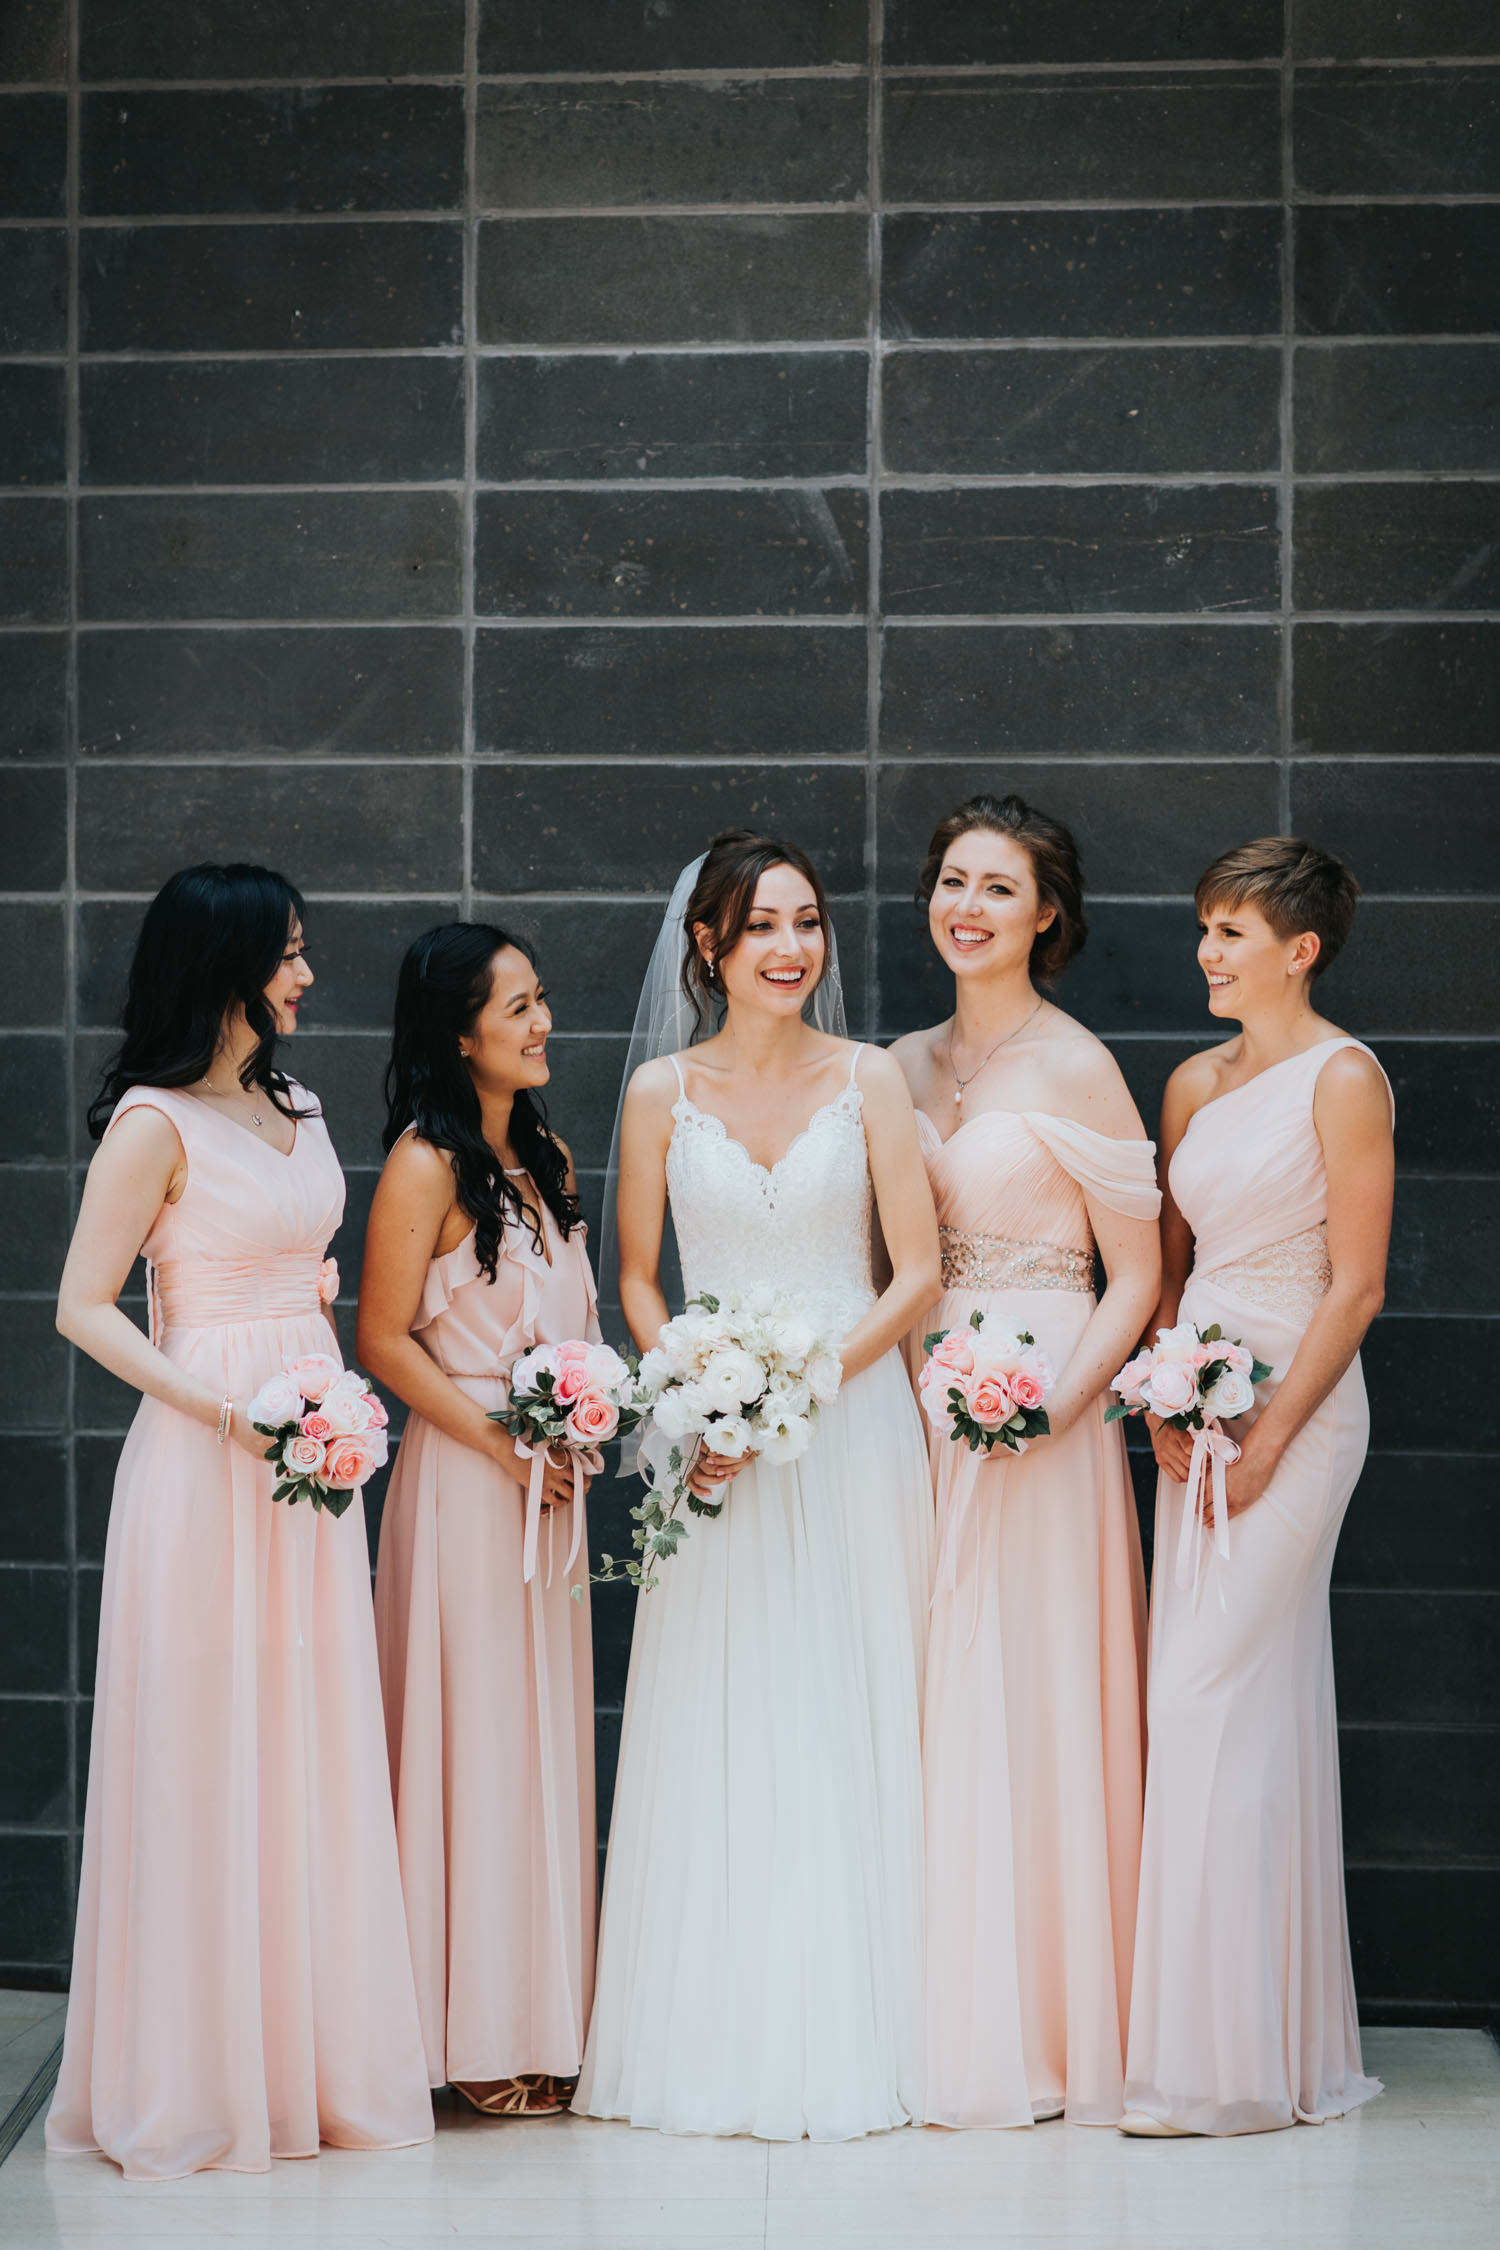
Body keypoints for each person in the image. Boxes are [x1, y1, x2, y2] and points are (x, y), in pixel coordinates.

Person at [46, 863, 431, 2181]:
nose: (306, 975)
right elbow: (84, 1304)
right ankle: (199, 2076)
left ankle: (309, 2062)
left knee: (307, 1739)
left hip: (313, 1458)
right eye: (287, 954)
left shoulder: (299, 1103)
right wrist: (224, 1408)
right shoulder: (151, 1122)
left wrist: (316, 1382)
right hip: (209, 1456)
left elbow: (302, 1263)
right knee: (208, 1749)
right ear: (223, 966)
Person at [573, 830, 939, 2140]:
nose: (793, 947)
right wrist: (700, 1385)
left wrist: (808, 1382)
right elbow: (635, 1274)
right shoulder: (660, 1091)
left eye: (809, 921)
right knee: (723, 1708)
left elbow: (917, 1275)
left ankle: (879, 2027)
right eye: (762, 924)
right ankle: (709, 2028)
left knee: (853, 1692)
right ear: (710, 946)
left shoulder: (873, 1078)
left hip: (854, 1419)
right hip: (712, 1427)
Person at [891, 793, 1161, 2128]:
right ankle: (928, 2006)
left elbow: (1142, 1270)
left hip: (1046, 1393)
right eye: (953, 881)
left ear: (1047, 914)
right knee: (930, 1681)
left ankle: (1047, 2020)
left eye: (1000, 888)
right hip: (916, 1398)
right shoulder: (893, 1062)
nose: (969, 908)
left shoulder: (1075, 1064)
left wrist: (1061, 1401)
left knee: (1031, 1678)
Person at [1121, 837, 1393, 2137]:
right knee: (1231, 1702)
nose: (1208, 953)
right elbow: (1175, 1259)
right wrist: (1170, 1388)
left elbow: (1357, 1282)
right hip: (1197, 1409)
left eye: (1232, 932)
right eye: (1204, 927)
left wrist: (1277, 1426)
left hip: (1300, 1410)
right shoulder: (1189, 1082)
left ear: (1302, 947)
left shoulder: (1344, 1079)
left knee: (1205, 1693)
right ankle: (1232, 2043)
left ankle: (1223, 2067)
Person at [361, 924, 597, 2117]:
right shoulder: (425, 1164)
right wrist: (505, 1445)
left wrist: (581, 1417)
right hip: (466, 1486)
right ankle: (467, 2028)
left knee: (539, 1748)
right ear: (459, 1035)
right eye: (517, 1008)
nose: (541, 1021)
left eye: (541, 999)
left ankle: (540, 2008)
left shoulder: (541, 1153)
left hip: (547, 1491)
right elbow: (383, 1338)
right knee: (475, 1746)